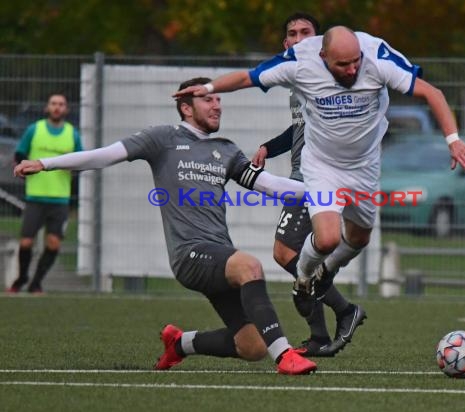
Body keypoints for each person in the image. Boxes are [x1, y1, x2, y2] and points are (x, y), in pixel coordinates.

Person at [13, 77, 317, 375]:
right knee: (250, 266)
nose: (217, 105)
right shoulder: (162, 139)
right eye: (208, 99)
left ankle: (180, 344)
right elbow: (104, 156)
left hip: (219, 256)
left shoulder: (226, 150)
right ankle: (285, 356)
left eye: (219, 99)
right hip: (189, 254)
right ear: (186, 108)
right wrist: (46, 164)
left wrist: (329, 192)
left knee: (251, 347)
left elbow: (273, 186)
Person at [174, 27, 465, 320]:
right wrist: (209, 88)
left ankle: (323, 273)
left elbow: (432, 92)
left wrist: (453, 140)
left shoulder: (377, 57)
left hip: (365, 166)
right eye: (343, 64)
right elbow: (248, 77)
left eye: (355, 62)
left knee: (359, 238)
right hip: (322, 165)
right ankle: (304, 280)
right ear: (323, 57)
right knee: (329, 237)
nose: (351, 69)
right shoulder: (300, 62)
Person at [251, 13, 366, 357]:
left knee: (285, 253)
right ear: (285, 44)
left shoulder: (327, 80)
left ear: (319, 43)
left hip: (315, 179)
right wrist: (268, 148)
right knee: (299, 256)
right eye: (292, 33)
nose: (298, 38)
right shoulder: (298, 85)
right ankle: (319, 335)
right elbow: (298, 131)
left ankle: (344, 310)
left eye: (306, 32)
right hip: (302, 177)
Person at [7, 93, 83, 294]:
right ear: (47, 108)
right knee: (26, 241)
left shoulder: (72, 134)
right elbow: (20, 154)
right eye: (53, 104)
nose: (57, 107)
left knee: (53, 243)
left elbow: (81, 160)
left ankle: (36, 282)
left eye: (61, 104)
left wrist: (74, 171)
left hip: (59, 199)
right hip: (35, 197)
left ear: (66, 109)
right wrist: (23, 170)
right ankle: (21, 278)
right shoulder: (35, 130)